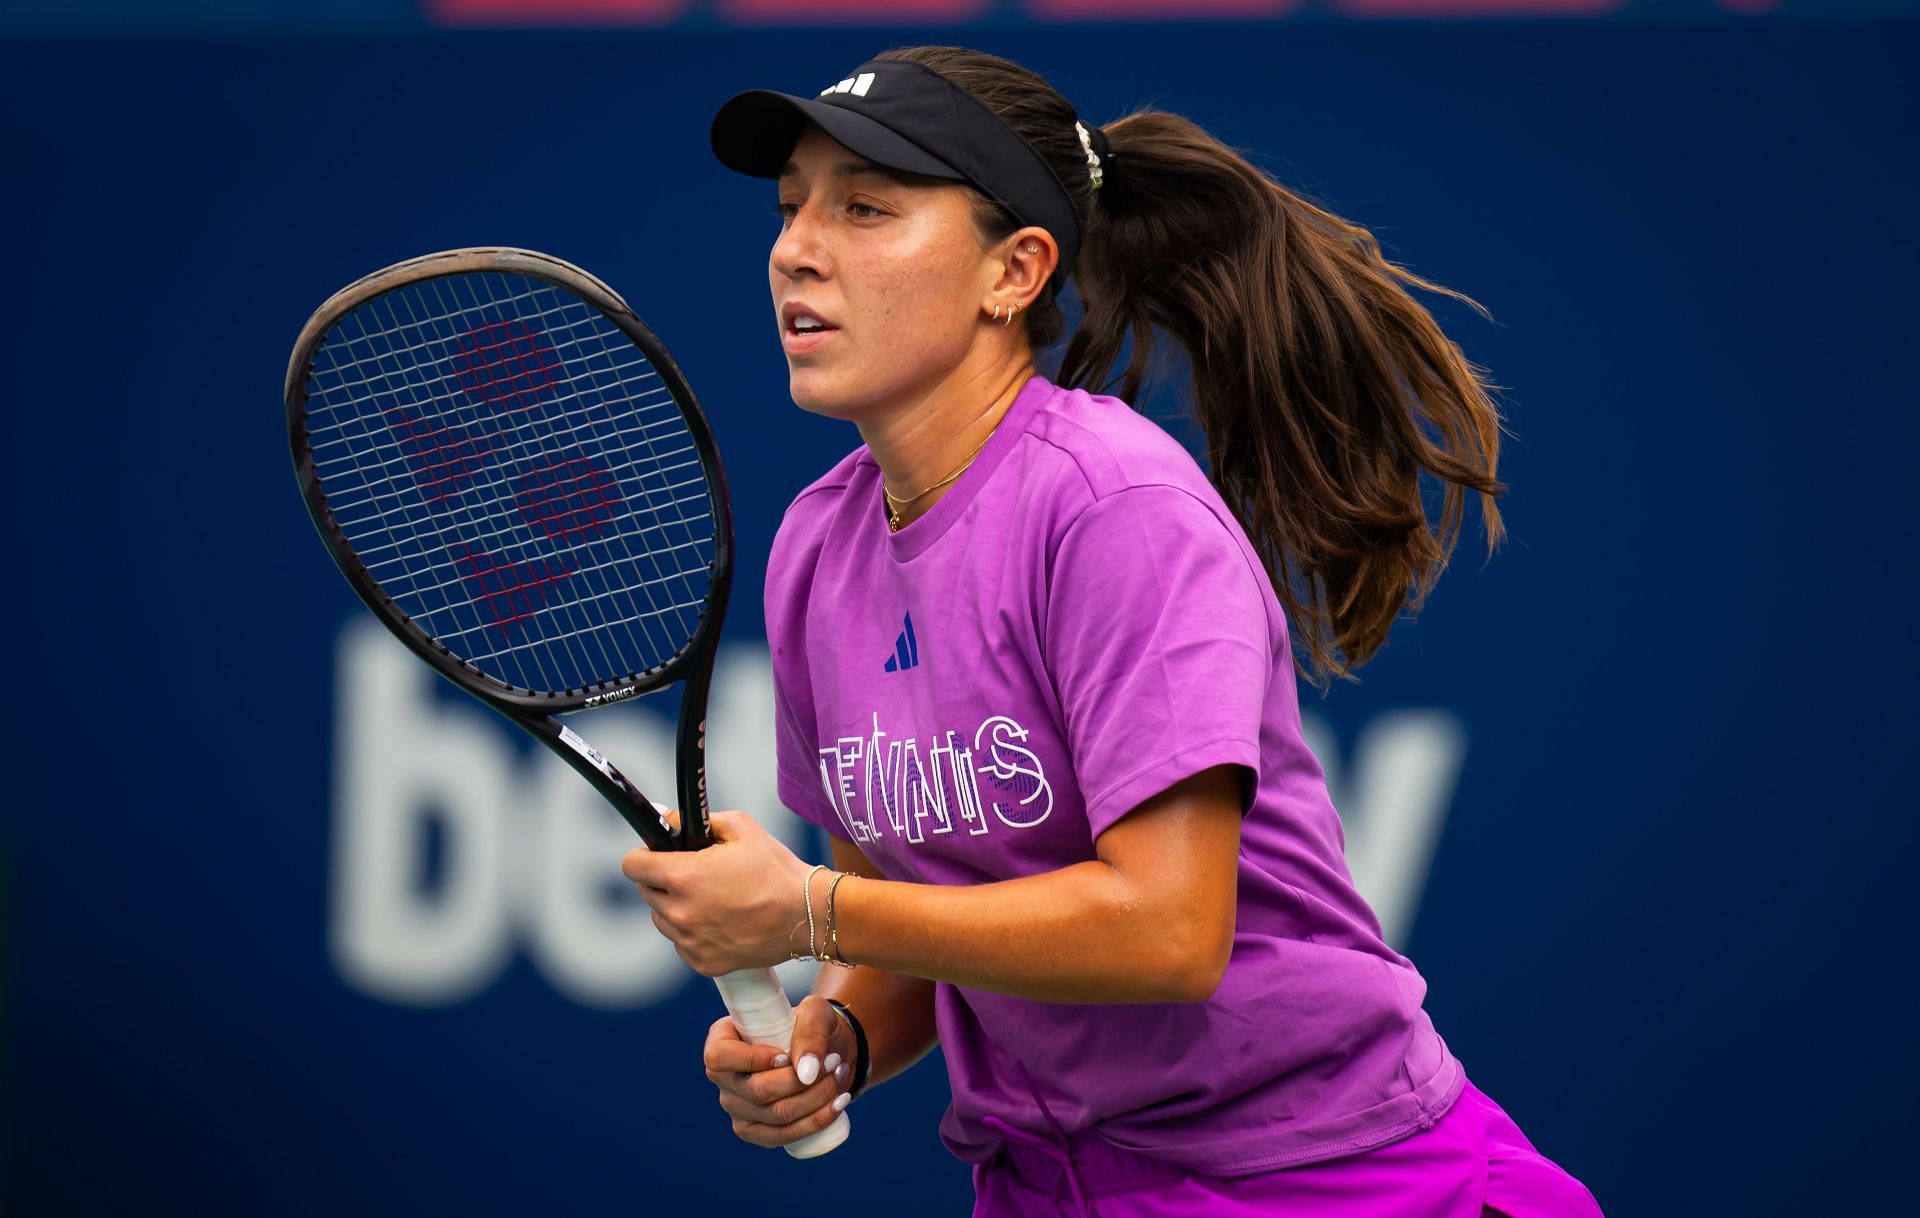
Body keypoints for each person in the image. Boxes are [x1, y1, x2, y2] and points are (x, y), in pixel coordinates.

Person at [622, 46, 1604, 1218]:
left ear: (1016, 271)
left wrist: (806, 914)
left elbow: (1166, 931)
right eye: (791, 208)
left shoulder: (1114, 510)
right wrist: (830, 1035)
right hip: (1052, 1189)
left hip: (1327, 1178)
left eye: (866, 208)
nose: (798, 247)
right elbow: (911, 919)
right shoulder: (817, 545)